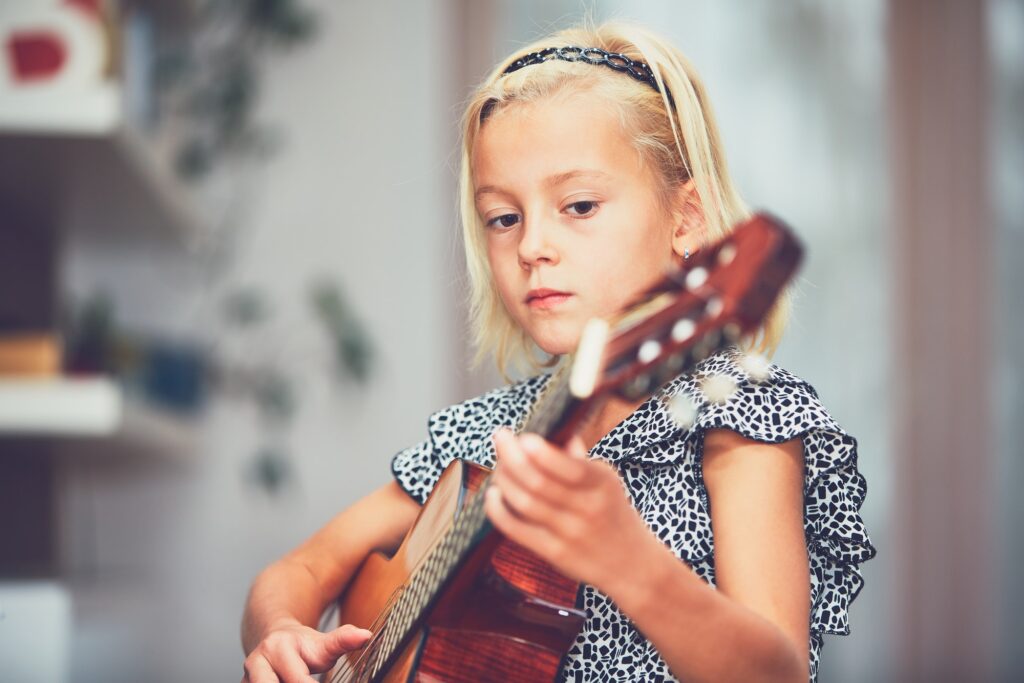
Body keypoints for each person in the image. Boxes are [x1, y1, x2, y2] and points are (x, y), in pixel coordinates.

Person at [240, 20, 875, 683]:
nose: (532, 246)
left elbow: (779, 673)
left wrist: (632, 563)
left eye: (577, 204)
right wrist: (279, 630)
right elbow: (298, 570)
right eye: (503, 217)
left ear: (687, 220)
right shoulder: (485, 439)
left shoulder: (737, 417)